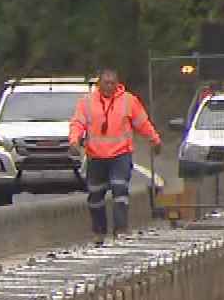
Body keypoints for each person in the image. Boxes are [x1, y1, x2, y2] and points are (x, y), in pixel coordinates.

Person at [69, 68, 161, 242]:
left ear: (117, 83)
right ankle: (99, 232)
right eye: (106, 83)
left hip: (120, 155)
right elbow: (78, 123)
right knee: (95, 195)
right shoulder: (87, 102)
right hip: (96, 157)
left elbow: (142, 123)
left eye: (112, 83)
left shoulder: (128, 101)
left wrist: (155, 139)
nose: (109, 86)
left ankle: (121, 229)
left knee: (120, 190)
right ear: (99, 83)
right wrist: (74, 140)